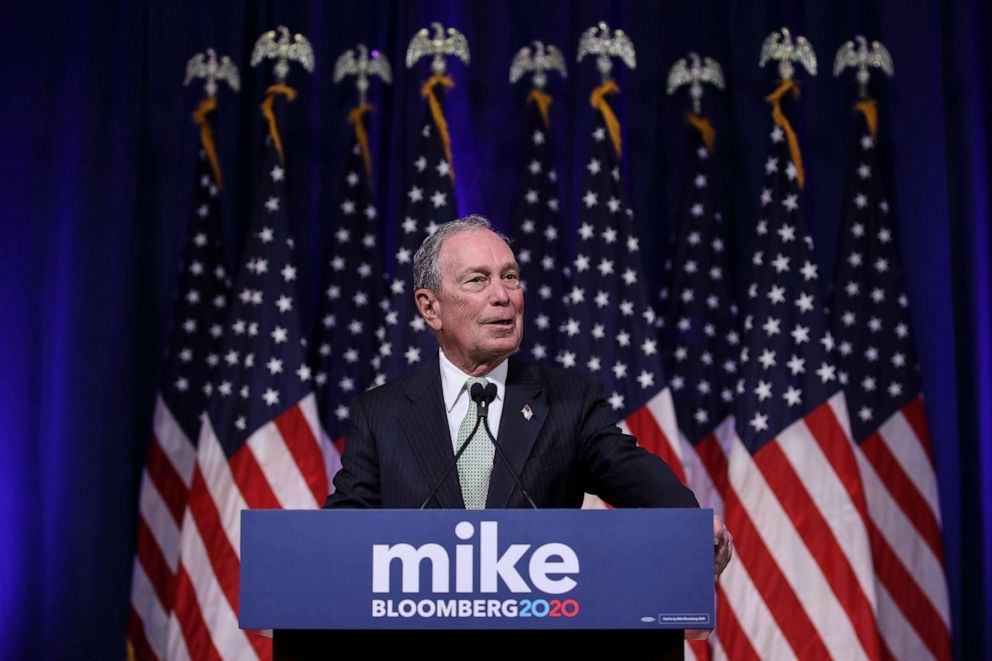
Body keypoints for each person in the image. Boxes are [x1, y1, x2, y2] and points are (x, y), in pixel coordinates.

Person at [324, 215, 732, 577]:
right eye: (478, 280)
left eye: (510, 277)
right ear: (431, 308)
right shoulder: (381, 413)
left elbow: (631, 471)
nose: (502, 295)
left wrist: (688, 520)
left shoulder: (567, 400)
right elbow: (341, 532)